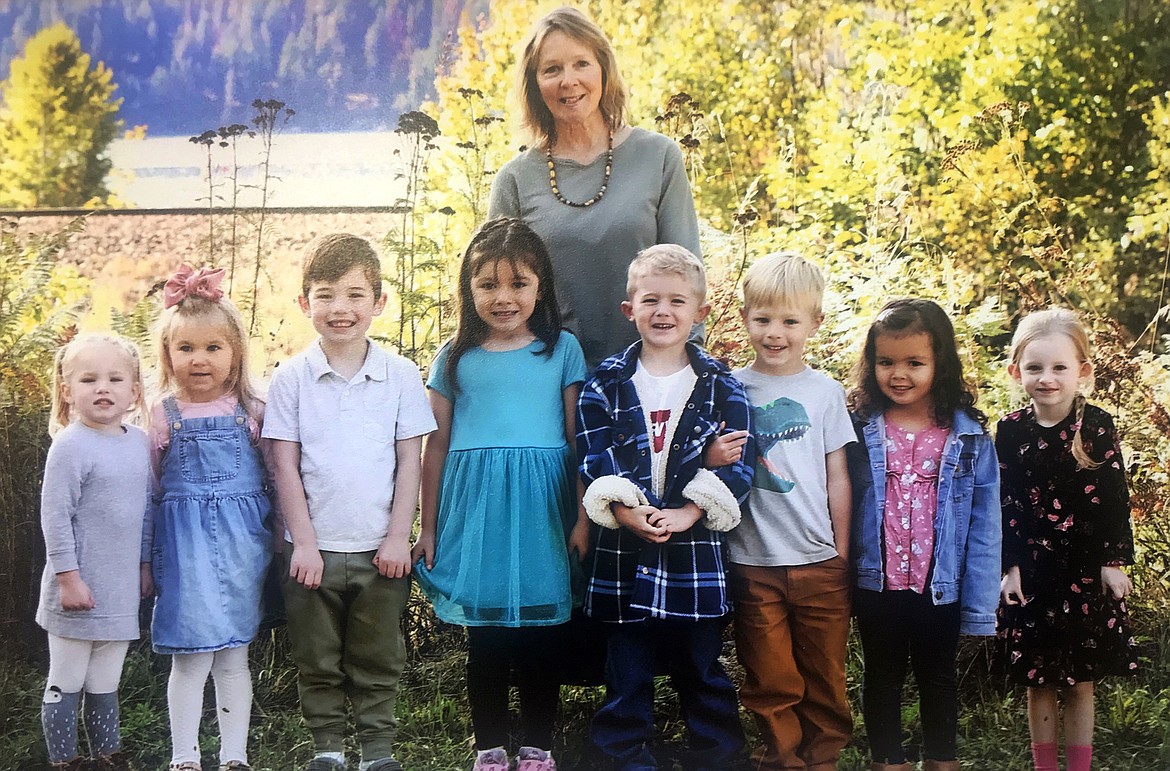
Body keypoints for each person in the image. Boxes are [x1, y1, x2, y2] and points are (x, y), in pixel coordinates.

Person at [412, 218, 588, 771]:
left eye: (518, 284)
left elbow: (577, 439)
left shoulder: (562, 350)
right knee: (486, 638)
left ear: (541, 288)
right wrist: (430, 525)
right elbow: (434, 448)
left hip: (542, 508)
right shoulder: (454, 357)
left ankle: (538, 745)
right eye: (487, 284)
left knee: (541, 636)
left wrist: (582, 516)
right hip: (478, 509)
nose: (503, 297)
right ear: (468, 289)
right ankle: (489, 746)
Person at [263, 234, 436, 771]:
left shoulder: (402, 376)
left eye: (356, 294)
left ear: (379, 302)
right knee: (317, 658)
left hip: (378, 551)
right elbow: (283, 464)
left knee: (379, 656)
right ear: (303, 303)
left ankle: (378, 753)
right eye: (326, 294)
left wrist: (396, 537)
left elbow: (411, 462)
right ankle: (329, 750)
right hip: (310, 553)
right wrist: (305, 544)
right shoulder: (290, 378)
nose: (341, 308)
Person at [577, 244, 753, 771]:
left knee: (702, 667)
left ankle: (718, 757)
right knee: (626, 670)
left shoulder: (721, 384)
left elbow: (739, 467)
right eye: (650, 299)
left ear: (699, 313)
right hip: (623, 550)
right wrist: (626, 510)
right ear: (629, 310)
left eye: (678, 301)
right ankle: (622, 757)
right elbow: (593, 456)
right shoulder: (605, 383)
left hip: (694, 552)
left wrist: (690, 511)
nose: (663, 311)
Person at [489, 6, 701, 369]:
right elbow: (495, 294)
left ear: (603, 69)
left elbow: (689, 276)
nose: (568, 80)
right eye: (552, 69)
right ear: (535, 84)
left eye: (581, 63)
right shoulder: (515, 180)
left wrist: (688, 370)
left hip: (648, 375)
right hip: (551, 379)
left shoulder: (658, 157)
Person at [845, 298, 1000, 771]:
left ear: (941, 364)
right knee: (882, 677)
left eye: (915, 363)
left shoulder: (967, 436)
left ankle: (941, 762)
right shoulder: (860, 428)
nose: (899, 374)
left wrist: (979, 603)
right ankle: (886, 763)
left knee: (938, 677)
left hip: (940, 584)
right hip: (879, 582)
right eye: (886, 361)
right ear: (871, 364)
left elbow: (984, 525)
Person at [722, 252, 855, 771]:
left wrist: (841, 549)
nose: (775, 333)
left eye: (790, 322)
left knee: (825, 674)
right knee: (770, 678)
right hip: (753, 560)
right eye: (763, 320)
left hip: (819, 559)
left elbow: (837, 474)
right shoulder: (729, 385)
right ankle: (781, 759)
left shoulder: (825, 392)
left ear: (815, 323)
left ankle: (822, 759)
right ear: (745, 318)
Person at [997, 308, 1137, 771]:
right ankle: (1045, 766)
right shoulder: (1010, 430)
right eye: (1035, 368)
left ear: (1083, 371)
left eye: (1060, 367)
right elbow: (1005, 502)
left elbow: (1115, 498)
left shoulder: (1095, 427)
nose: (1047, 379)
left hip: (1084, 570)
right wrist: (1009, 567)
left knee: (1079, 682)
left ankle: (1079, 766)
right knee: (1039, 679)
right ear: (1017, 372)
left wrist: (1114, 562)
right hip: (1033, 573)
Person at [148, 265, 274, 771]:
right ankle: (184, 756)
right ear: (167, 354)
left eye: (213, 348)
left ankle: (234, 756)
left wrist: (284, 538)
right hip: (184, 548)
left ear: (236, 353)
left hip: (244, 544)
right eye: (186, 348)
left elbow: (278, 477)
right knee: (191, 653)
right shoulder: (162, 414)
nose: (199, 359)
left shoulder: (252, 410)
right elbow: (151, 485)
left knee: (233, 653)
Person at [37, 333, 151, 771]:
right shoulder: (70, 445)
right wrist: (67, 577)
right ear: (67, 392)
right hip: (76, 590)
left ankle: (106, 756)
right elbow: (56, 517)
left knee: (106, 681)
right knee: (66, 680)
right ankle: (64, 760)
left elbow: (146, 510)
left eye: (114, 378)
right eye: (89, 379)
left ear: (134, 392)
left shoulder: (139, 443)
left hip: (119, 590)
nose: (102, 388)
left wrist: (144, 563)